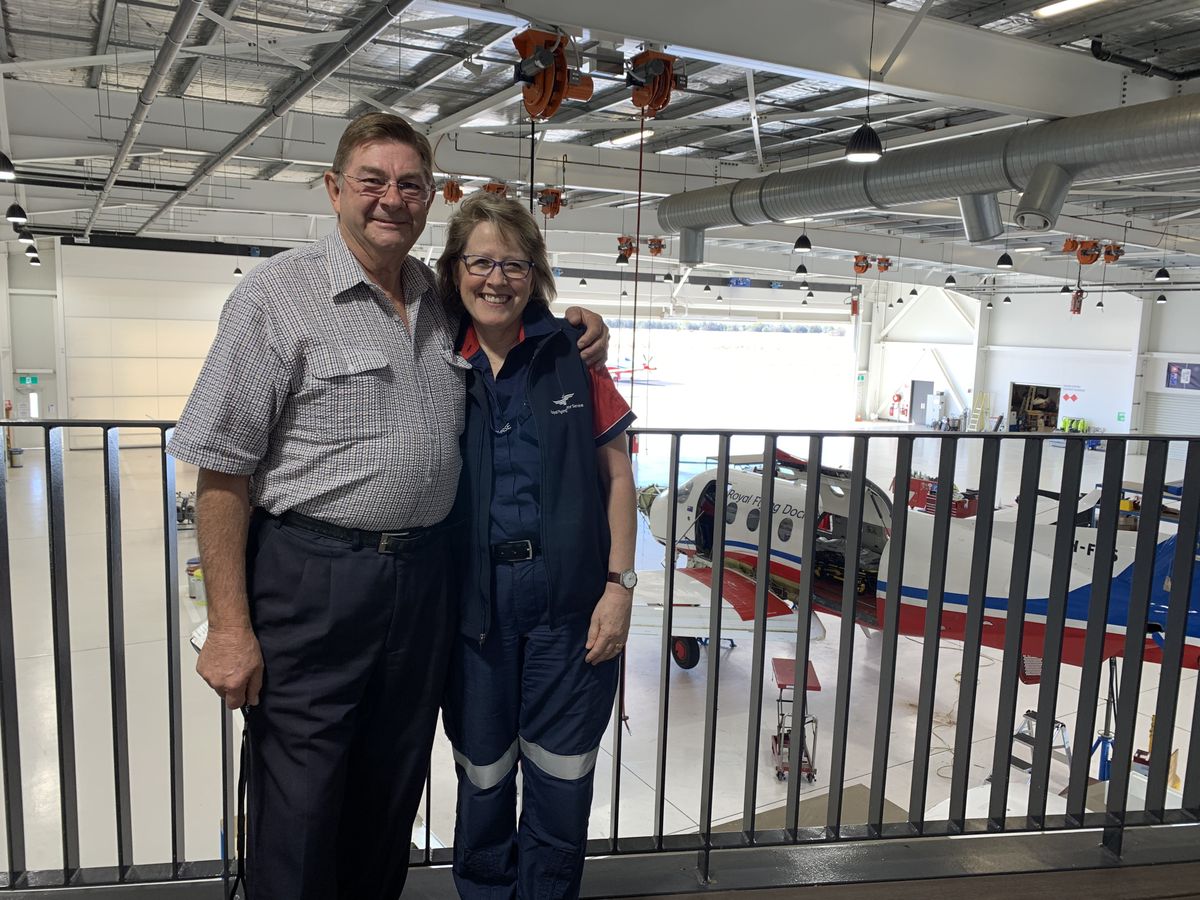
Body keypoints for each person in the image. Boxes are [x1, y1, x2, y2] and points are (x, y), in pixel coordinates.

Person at [167, 112, 608, 900]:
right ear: (334, 189)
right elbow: (222, 473)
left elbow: (505, 301)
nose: (391, 199)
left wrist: (577, 323)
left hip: (423, 583)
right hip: (313, 578)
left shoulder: (436, 299)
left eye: (410, 185)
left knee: (390, 788)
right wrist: (229, 626)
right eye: (372, 181)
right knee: (301, 799)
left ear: (430, 199)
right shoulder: (276, 296)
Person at [437, 192, 637, 899]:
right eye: (481, 262)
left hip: (569, 611)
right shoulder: (436, 359)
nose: (497, 279)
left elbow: (618, 476)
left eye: (515, 264)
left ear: (535, 274)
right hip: (474, 614)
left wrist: (619, 587)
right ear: (455, 270)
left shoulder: (572, 357)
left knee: (561, 780)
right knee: (483, 777)